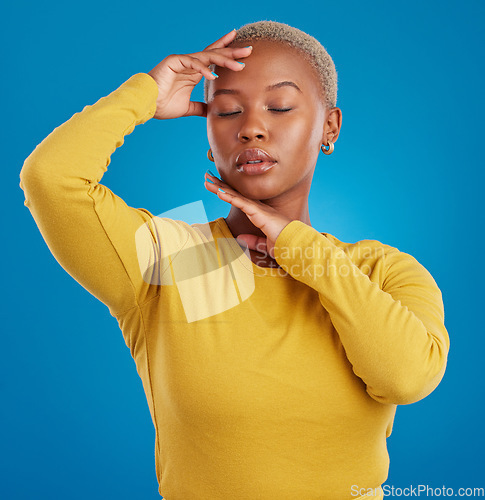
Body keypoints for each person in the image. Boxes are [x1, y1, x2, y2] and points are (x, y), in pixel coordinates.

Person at [19, 20, 449, 500]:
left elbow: (406, 378)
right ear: (208, 134)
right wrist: (146, 95)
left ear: (329, 126)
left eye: (280, 106)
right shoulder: (168, 258)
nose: (251, 128)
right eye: (226, 112)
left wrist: (298, 246)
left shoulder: (382, 271)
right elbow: (50, 179)